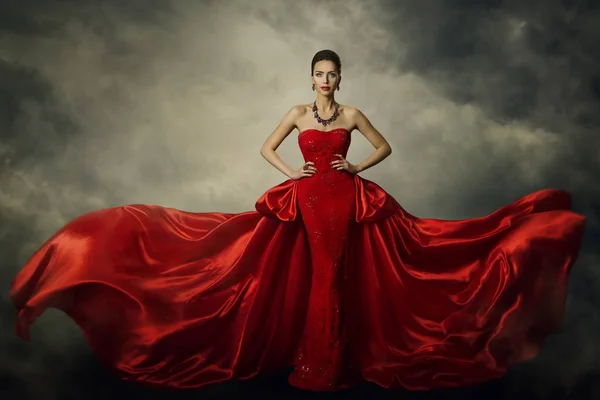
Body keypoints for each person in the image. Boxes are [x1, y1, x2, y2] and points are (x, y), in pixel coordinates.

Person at [10, 49, 585, 392]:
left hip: (344, 194)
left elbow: (384, 147)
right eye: (320, 74)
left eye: (333, 74)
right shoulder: (296, 112)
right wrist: (293, 175)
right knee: (316, 277)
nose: (327, 81)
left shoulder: (353, 114)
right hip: (309, 197)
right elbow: (266, 148)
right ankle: (317, 367)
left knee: (336, 277)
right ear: (311, 77)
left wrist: (354, 163)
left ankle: (330, 368)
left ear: (340, 79)